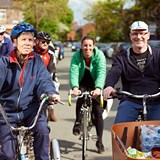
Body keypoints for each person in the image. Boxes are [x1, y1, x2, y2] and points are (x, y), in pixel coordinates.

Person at [0, 22, 60, 160]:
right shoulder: (4, 63)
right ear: (15, 42)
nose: (27, 43)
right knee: (8, 155)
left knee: (43, 130)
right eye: (23, 39)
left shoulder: (37, 62)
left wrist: (51, 93)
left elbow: (44, 81)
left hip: (31, 110)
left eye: (30, 40)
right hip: (7, 113)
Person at [103, 21, 160, 124]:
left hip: (155, 100)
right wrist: (109, 85)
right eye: (135, 33)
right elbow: (114, 71)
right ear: (130, 36)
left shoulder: (158, 54)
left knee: (157, 132)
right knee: (119, 130)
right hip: (130, 100)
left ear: (148, 35)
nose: (138, 37)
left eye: (142, 33)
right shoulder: (121, 57)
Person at [69, 35, 106, 154]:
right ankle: (78, 121)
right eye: (85, 45)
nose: (87, 48)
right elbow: (73, 71)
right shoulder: (76, 56)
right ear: (81, 46)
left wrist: (99, 88)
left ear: (93, 46)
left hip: (95, 82)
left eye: (90, 45)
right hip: (82, 80)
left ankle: (99, 141)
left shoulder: (99, 55)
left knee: (98, 110)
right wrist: (74, 87)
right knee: (81, 95)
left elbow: (101, 72)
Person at [34, 31, 60, 122]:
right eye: (43, 41)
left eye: (48, 42)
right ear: (37, 41)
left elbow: (51, 71)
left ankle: (50, 109)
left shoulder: (50, 54)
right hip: (32, 78)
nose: (45, 44)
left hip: (48, 76)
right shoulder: (31, 52)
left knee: (52, 89)